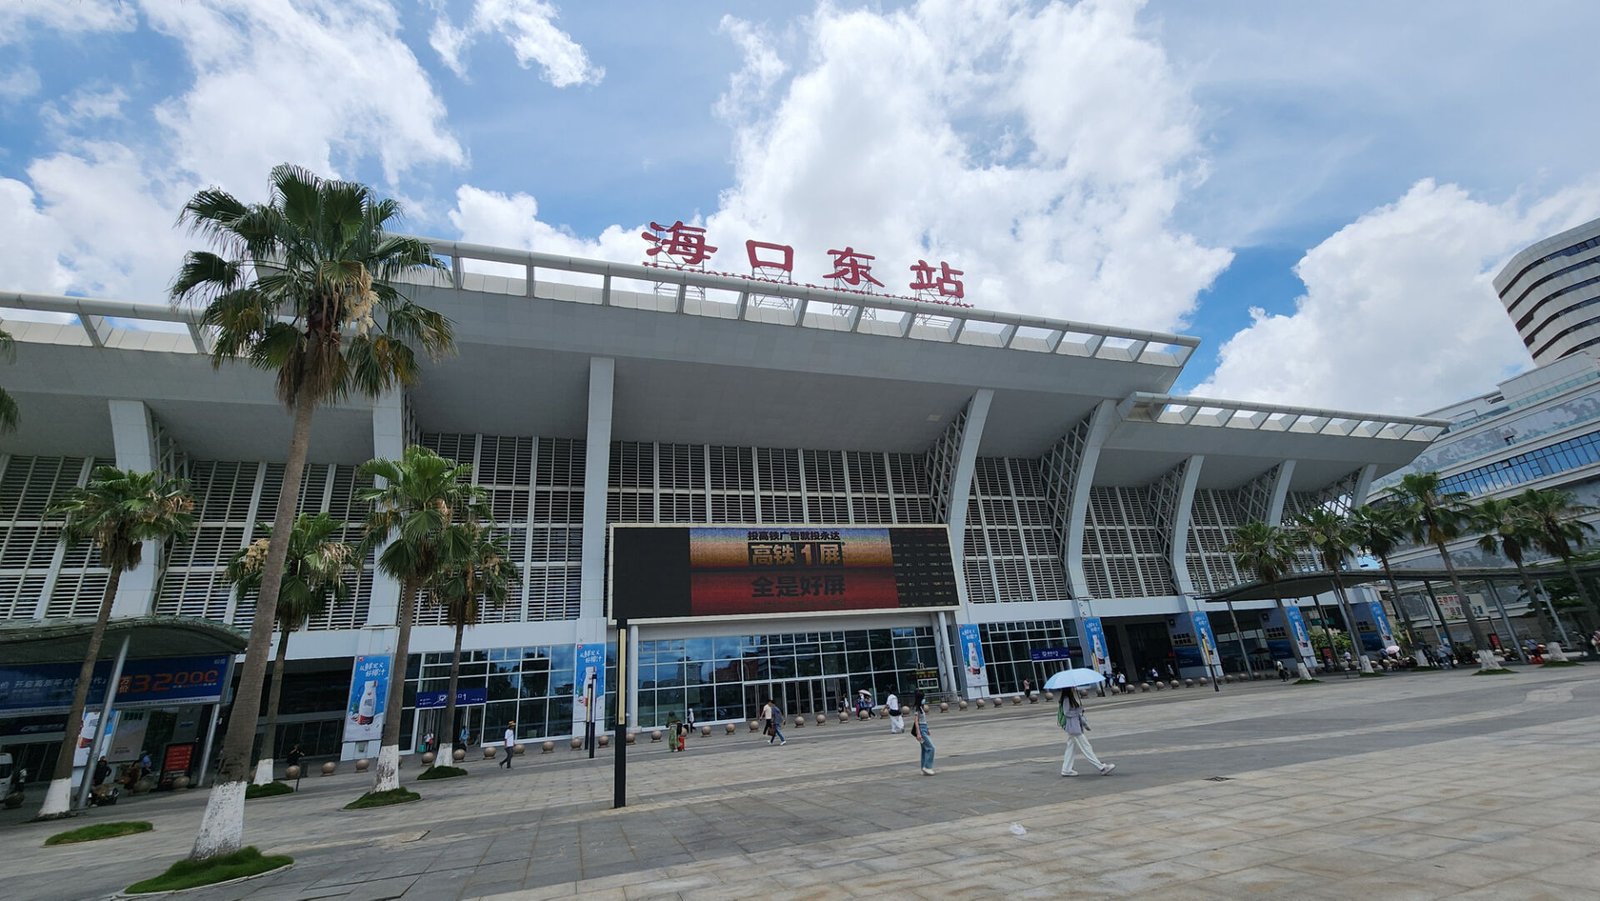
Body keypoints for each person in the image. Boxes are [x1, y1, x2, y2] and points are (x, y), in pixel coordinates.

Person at [1057, 689, 1114, 777]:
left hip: (1074, 727)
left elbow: (1075, 713)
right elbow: (1066, 712)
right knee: (1086, 747)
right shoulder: (1067, 699)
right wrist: (1077, 711)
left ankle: (1066, 769)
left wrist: (1081, 715)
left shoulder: (1070, 698)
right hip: (1073, 727)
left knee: (1071, 748)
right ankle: (1101, 767)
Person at [910, 691, 935, 775]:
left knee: (924, 749)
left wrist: (927, 729)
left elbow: (923, 720)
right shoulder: (917, 709)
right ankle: (927, 767)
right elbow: (916, 722)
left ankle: (923, 768)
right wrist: (918, 733)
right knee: (931, 748)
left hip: (924, 728)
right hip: (921, 730)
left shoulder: (921, 708)